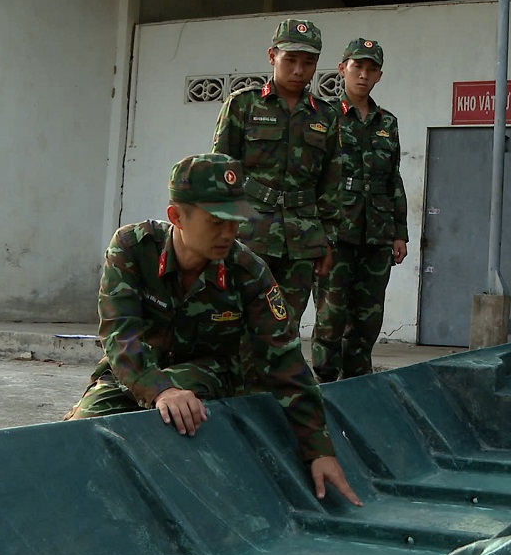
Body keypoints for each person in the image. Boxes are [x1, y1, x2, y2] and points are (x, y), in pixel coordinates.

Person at [66, 153, 361, 506]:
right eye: (216, 222)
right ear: (177, 216)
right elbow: (119, 336)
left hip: (210, 375)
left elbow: (286, 362)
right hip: (136, 371)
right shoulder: (133, 249)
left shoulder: (247, 272)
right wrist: (160, 389)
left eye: (235, 221)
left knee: (176, 413)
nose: (229, 233)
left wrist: (318, 449)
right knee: (78, 431)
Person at [210, 18, 342, 327]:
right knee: (237, 319)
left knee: (285, 327)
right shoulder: (243, 105)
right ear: (272, 56)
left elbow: (331, 184)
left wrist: (327, 241)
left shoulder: (326, 116)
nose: (299, 70)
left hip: (303, 240)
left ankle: (276, 378)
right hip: (249, 235)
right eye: (290, 60)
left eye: (308, 62)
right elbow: (220, 174)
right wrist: (218, 233)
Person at [311, 39, 408, 382]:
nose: (363, 75)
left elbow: (392, 178)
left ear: (379, 75)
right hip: (336, 234)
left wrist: (399, 232)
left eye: (371, 70)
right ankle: (324, 383)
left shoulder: (388, 123)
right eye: (357, 67)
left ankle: (358, 384)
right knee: (330, 317)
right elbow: (313, 176)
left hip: (377, 235)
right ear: (342, 69)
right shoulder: (322, 117)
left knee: (367, 320)